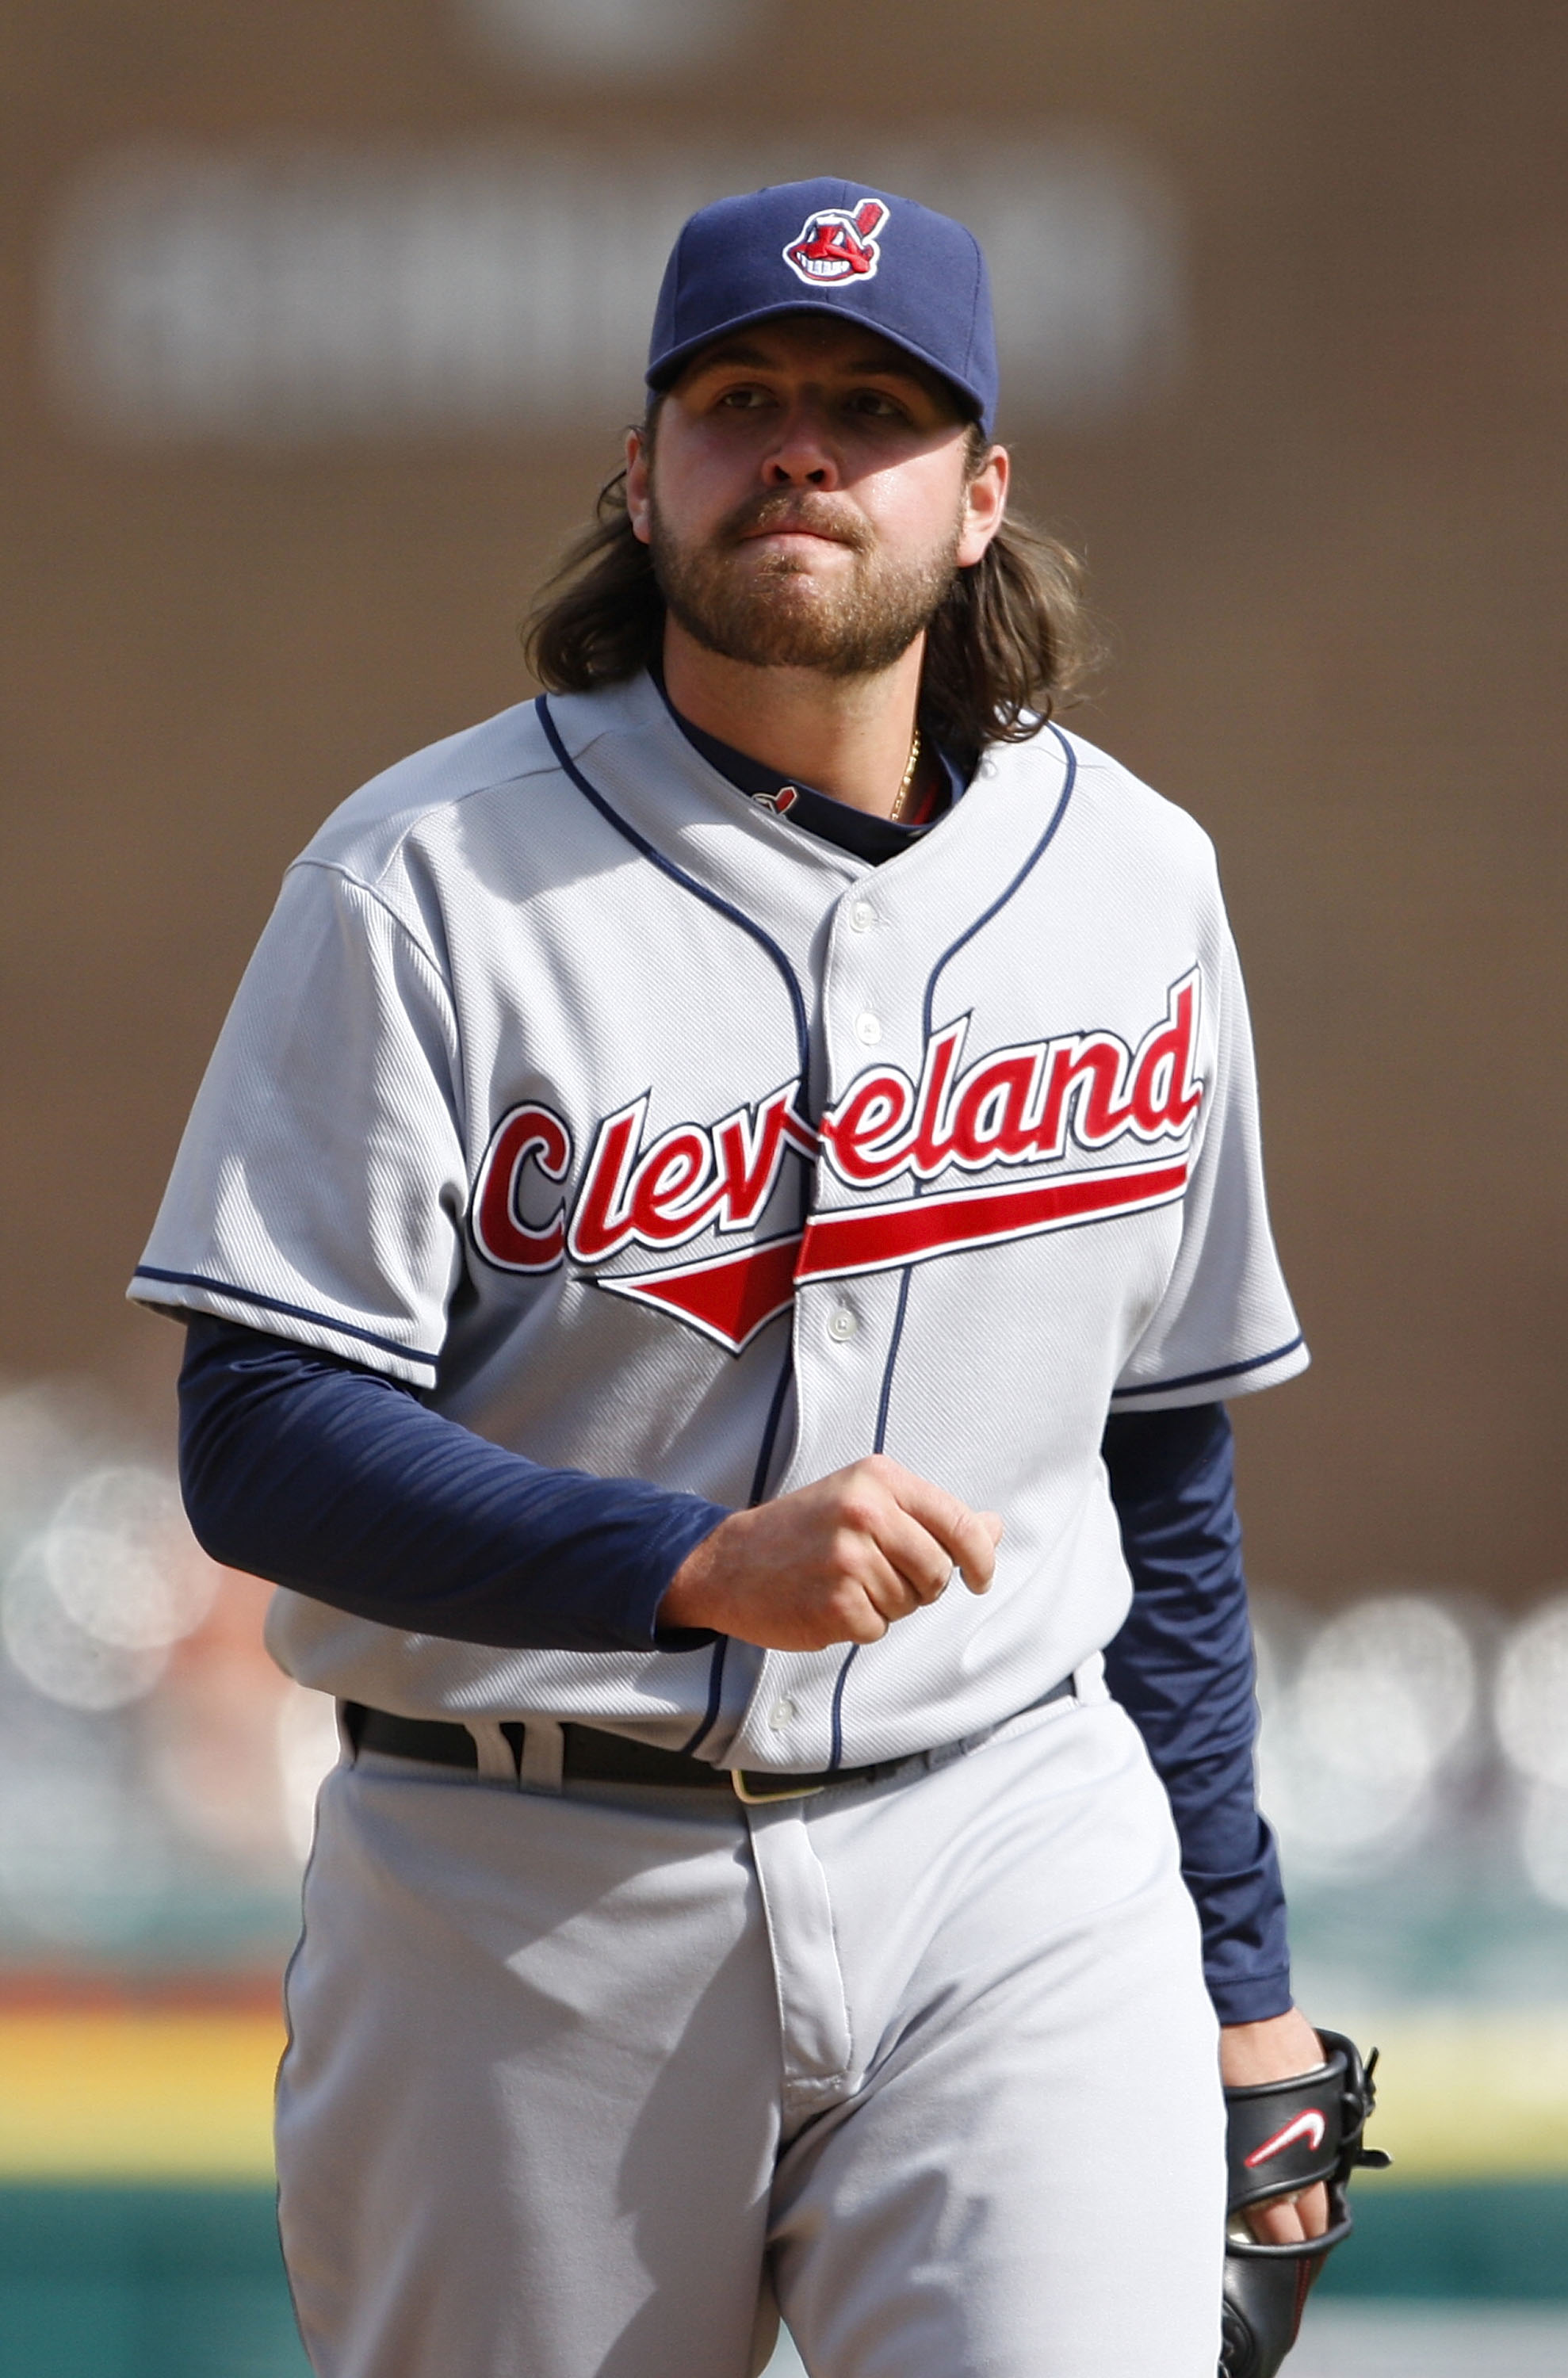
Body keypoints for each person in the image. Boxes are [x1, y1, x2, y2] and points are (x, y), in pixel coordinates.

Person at [132, 180, 1329, 2378]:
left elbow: (1158, 1472)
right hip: (518, 1885)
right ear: (641, 470)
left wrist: (1241, 1994)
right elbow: (263, 1438)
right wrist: (684, 1563)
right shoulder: (426, 882)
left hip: (1007, 1843)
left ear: (977, 498)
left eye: (871, 410)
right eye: (742, 396)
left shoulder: (1136, 881)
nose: (799, 447)